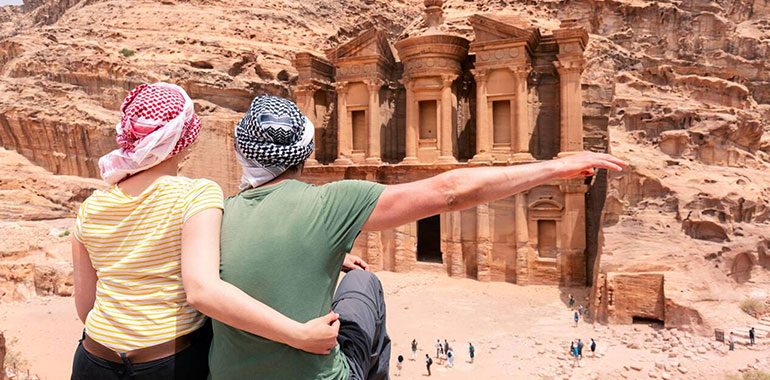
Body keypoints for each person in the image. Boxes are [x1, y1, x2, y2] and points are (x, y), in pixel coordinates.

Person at [208, 95, 627, 379]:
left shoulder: (215, 214)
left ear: (242, 154)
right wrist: (555, 167)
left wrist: (332, 255)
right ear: (305, 152)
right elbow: (450, 192)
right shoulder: (330, 204)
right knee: (365, 283)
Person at [70, 85, 336, 380]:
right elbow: (203, 292)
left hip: (93, 360)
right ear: (185, 140)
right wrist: (298, 335)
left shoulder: (90, 207)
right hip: (167, 365)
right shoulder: (197, 194)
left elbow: (86, 307)